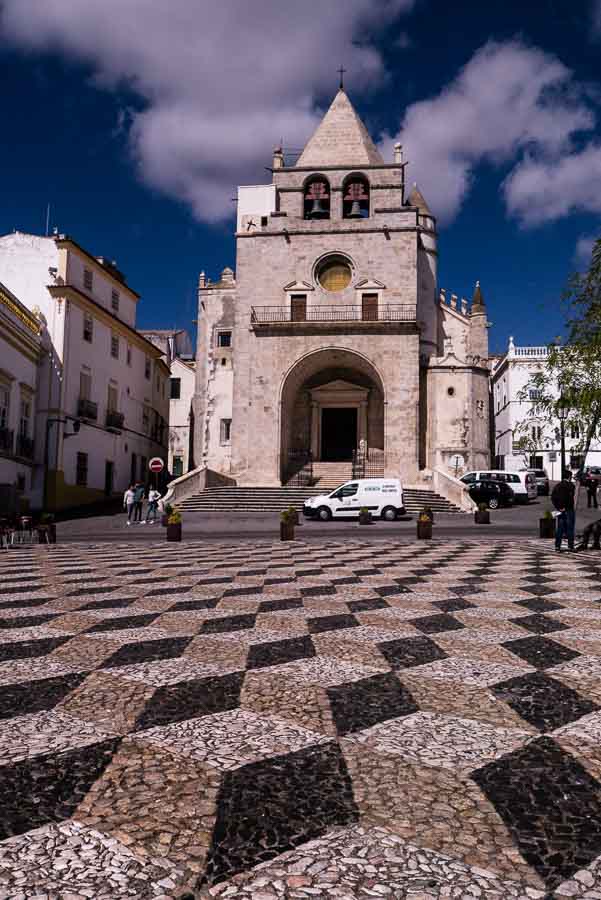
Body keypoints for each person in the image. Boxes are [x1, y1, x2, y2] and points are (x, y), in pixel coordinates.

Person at [551, 470, 576, 552]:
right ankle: (570, 546)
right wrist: (565, 506)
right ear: (569, 477)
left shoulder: (557, 486)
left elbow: (553, 497)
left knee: (560, 529)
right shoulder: (570, 486)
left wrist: (558, 507)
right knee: (570, 528)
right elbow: (569, 497)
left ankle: (557, 546)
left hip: (560, 510)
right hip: (568, 509)